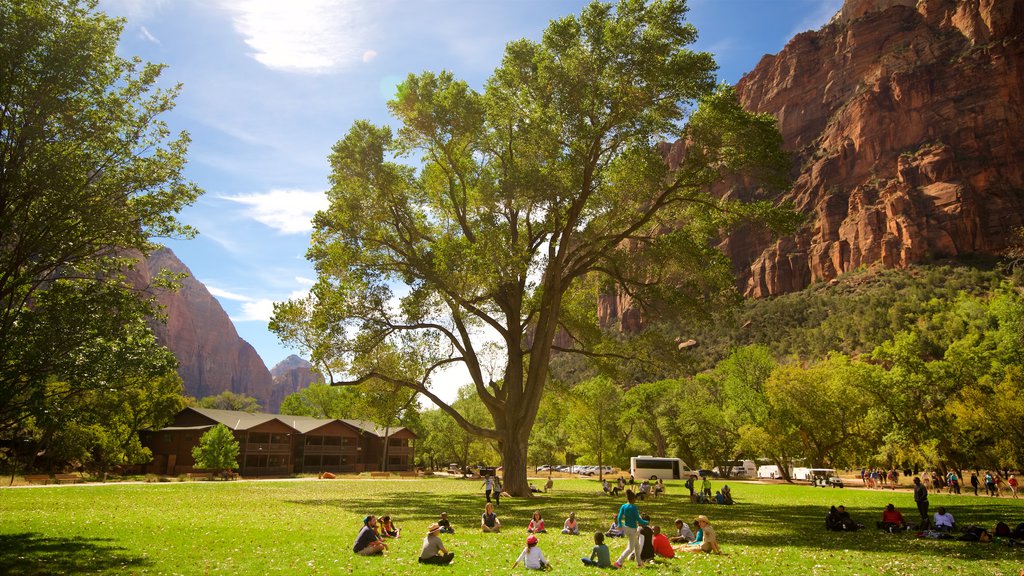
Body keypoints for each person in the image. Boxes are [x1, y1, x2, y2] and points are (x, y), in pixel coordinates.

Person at [613, 489, 649, 568]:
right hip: (632, 530)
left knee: (637, 546)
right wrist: (646, 522)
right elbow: (638, 519)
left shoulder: (624, 506)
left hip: (626, 528)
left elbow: (619, 517)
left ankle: (639, 563)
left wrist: (619, 524)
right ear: (633, 499)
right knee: (630, 548)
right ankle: (619, 562)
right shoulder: (634, 507)